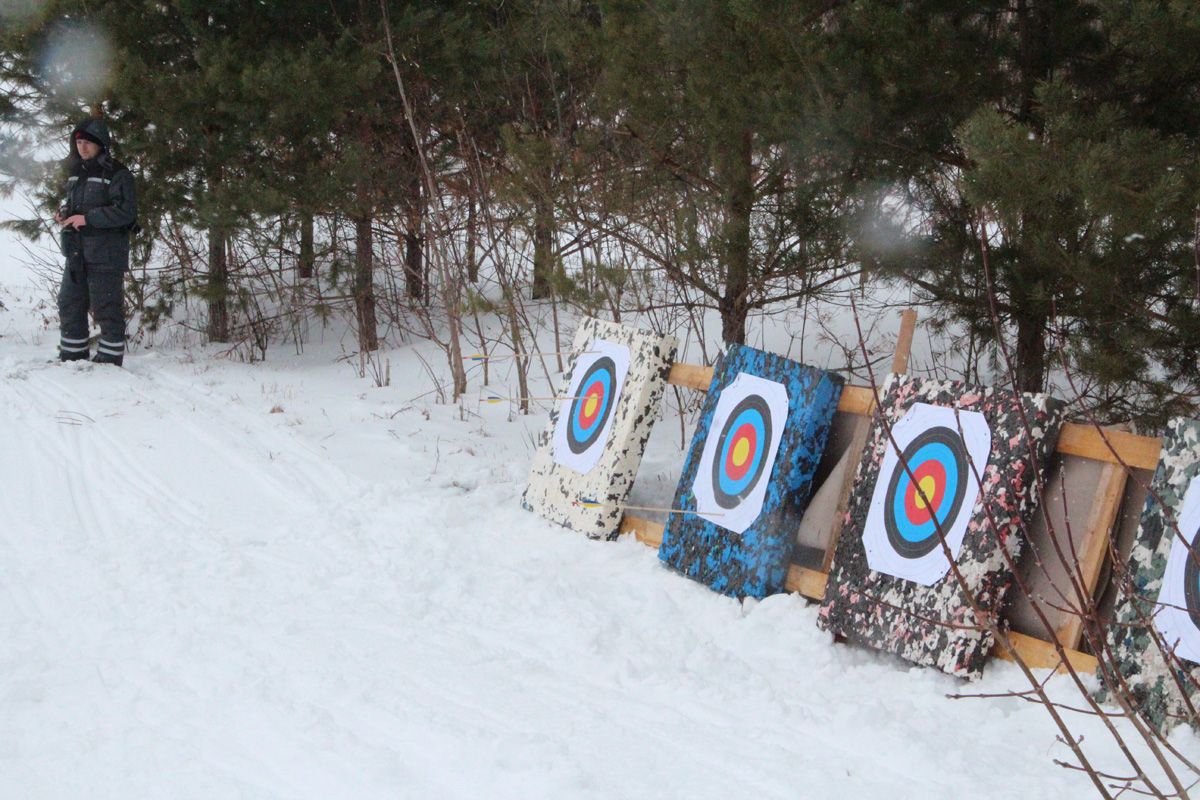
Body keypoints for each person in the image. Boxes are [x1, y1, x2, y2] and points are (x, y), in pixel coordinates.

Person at [53, 117, 137, 366]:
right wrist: (65, 213)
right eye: (79, 142)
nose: (83, 147)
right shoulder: (76, 172)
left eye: (88, 142)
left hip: (106, 253)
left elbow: (126, 212)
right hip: (77, 252)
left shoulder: (118, 173)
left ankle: (110, 361)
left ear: (101, 143)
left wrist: (88, 218)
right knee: (69, 302)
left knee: (107, 307)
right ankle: (73, 356)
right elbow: (74, 205)